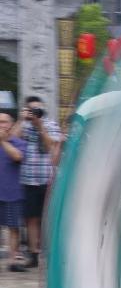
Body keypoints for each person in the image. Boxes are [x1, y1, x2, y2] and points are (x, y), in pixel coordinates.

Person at [10, 96, 61, 272]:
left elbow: (50, 147)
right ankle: (33, 254)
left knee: (48, 218)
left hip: (47, 178)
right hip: (28, 178)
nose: (35, 113)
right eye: (31, 109)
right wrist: (22, 119)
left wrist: (40, 127)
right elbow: (12, 139)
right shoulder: (24, 125)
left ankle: (52, 254)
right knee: (31, 218)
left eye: (37, 109)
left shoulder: (50, 124)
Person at [0, 111, 26, 271]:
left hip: (12, 192)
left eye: (4, 122)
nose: (1, 125)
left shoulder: (18, 143)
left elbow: (17, 157)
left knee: (13, 228)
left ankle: (12, 261)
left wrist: (3, 142)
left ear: (11, 124)